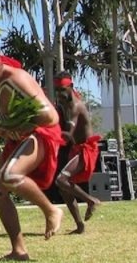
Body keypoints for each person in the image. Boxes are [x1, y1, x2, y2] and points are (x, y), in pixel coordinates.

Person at [0, 46, 64, 261]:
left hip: (42, 132)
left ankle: (51, 210)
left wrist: (22, 125)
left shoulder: (18, 79)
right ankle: (19, 250)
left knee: (10, 175)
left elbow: (50, 117)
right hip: (17, 137)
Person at [52, 73, 101, 233]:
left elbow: (68, 134)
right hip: (77, 149)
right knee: (63, 188)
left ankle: (91, 200)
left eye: (62, 89)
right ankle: (80, 226)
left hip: (86, 149)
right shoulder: (63, 105)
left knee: (61, 180)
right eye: (57, 90)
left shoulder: (75, 106)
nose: (59, 93)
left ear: (71, 87)